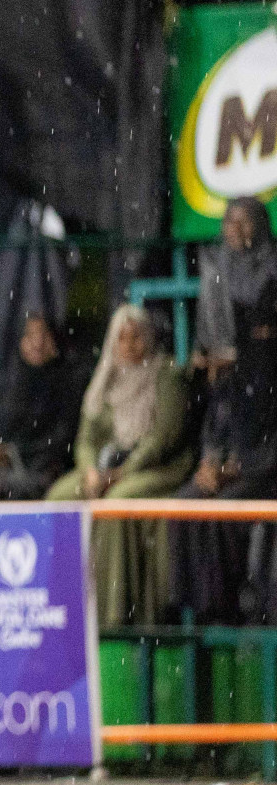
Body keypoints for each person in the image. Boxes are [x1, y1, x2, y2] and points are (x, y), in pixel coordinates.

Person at [47, 304, 194, 624]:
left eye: (137, 338)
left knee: (116, 505)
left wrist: (121, 474)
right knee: (59, 498)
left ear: (150, 338)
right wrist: (90, 473)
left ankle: (113, 613)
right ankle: (63, 605)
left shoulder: (168, 375)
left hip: (159, 471)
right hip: (105, 468)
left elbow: (162, 439)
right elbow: (86, 440)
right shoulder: (105, 380)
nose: (129, 346)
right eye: (122, 339)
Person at [169, 198, 277, 622]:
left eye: (241, 222)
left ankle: (236, 619)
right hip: (234, 454)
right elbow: (220, 408)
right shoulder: (223, 364)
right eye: (227, 222)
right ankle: (199, 622)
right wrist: (212, 460)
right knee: (184, 507)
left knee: (222, 513)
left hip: (264, 462)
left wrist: (241, 466)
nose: (231, 230)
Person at [0, 312, 80, 500]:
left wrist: (13, 453)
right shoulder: (8, 384)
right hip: (7, 473)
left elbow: (63, 440)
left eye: (44, 336)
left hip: (48, 471)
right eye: (31, 336)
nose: (37, 344)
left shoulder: (69, 383)